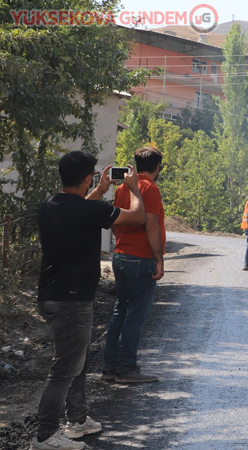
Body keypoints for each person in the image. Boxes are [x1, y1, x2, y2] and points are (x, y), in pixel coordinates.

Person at [34, 151, 144, 450]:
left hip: (51, 296)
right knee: (65, 367)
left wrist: (99, 190)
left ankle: (78, 420)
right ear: (87, 177)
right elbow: (137, 217)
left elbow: (81, 208)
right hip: (72, 301)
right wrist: (133, 188)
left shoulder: (50, 204)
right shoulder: (87, 211)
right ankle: (45, 436)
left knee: (76, 361)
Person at [102, 147, 166, 384]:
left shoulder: (121, 188)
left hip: (120, 256)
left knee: (121, 310)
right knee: (136, 314)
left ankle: (109, 368)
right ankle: (127, 368)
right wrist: (159, 259)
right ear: (157, 167)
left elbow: (112, 220)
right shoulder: (149, 188)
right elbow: (151, 226)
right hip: (141, 258)